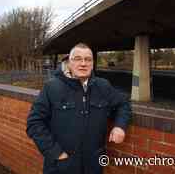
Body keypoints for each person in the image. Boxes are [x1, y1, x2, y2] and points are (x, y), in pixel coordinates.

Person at [26, 43, 132, 174]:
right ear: (69, 62)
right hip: (61, 166)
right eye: (78, 59)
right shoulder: (51, 87)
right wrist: (56, 153)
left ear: (93, 63)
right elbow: (34, 123)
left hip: (93, 166)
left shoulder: (103, 86)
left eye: (88, 59)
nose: (83, 63)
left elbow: (123, 104)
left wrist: (120, 126)